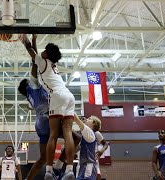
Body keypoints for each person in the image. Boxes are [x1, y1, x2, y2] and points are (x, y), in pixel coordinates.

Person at [19, 34, 81, 180]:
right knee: (73, 137)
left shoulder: (30, 93)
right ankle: (64, 168)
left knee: (43, 157)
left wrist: (32, 41)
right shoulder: (36, 82)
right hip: (60, 104)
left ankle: (42, 174)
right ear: (28, 84)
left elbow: (36, 59)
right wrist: (27, 38)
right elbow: (33, 59)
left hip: (40, 122)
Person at [73, 114, 102, 180]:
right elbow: (77, 149)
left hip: (88, 166)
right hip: (83, 165)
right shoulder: (85, 136)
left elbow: (77, 120)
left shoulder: (90, 132)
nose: (86, 119)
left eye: (89, 119)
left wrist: (69, 108)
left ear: (94, 124)